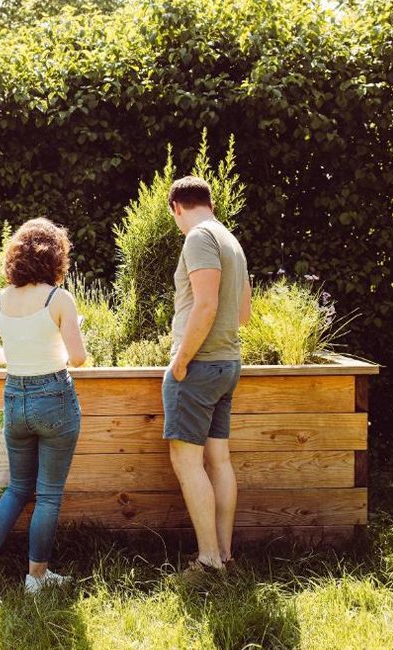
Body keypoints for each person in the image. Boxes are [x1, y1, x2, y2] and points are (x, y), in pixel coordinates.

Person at [0, 217, 88, 593]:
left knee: (17, 488)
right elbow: (78, 358)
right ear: (56, 258)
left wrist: (15, 358)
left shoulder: (0, 299)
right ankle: (36, 577)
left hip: (15, 397)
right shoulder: (58, 298)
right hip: (54, 399)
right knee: (47, 494)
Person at [163, 175, 251, 572]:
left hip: (198, 366)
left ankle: (208, 559)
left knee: (187, 461)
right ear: (210, 202)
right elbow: (243, 314)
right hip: (228, 362)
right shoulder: (231, 241)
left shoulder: (198, 237)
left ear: (177, 207)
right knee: (218, 459)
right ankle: (224, 555)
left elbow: (206, 305)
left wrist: (181, 360)